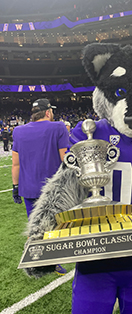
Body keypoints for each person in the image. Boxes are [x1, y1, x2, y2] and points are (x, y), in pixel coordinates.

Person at [12, 98, 69, 275]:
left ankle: (34, 260)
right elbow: (65, 158)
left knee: (35, 226)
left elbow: (16, 164)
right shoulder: (58, 127)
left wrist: (15, 186)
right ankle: (54, 262)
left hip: (28, 187)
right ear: (48, 112)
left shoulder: (18, 130)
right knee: (56, 227)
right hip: (53, 189)